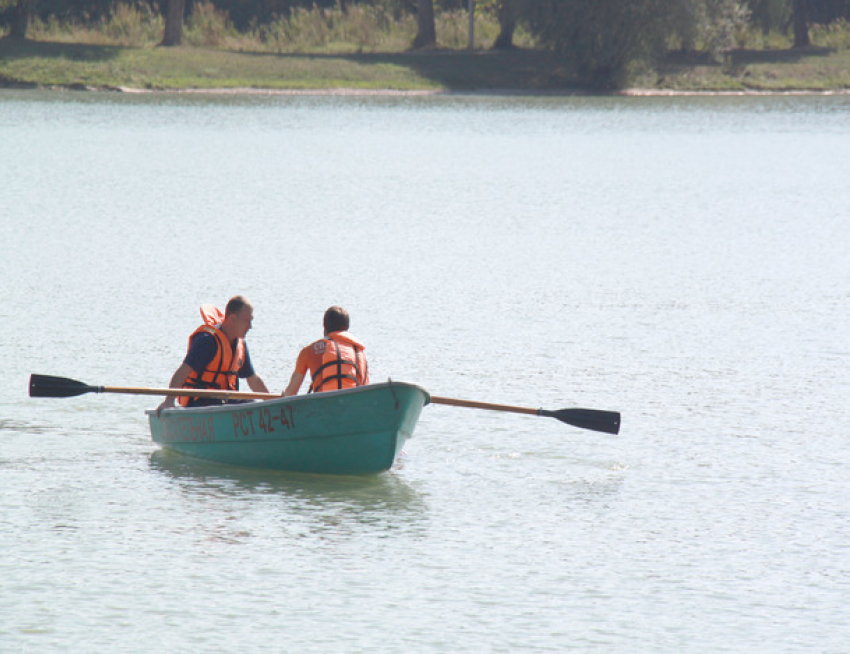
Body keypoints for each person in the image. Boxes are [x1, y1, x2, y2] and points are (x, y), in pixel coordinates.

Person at [157, 296, 270, 413]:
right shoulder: (207, 341)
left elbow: (253, 380)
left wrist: (272, 401)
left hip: (225, 401)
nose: (250, 326)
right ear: (232, 319)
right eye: (247, 321)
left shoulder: (240, 344)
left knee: (251, 405)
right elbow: (182, 373)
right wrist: (169, 401)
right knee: (221, 406)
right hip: (199, 402)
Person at [283, 306, 369, 396]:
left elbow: (290, 394)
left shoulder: (308, 352)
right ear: (347, 327)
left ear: (324, 327)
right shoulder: (359, 352)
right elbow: (365, 391)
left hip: (323, 407)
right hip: (354, 406)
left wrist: (284, 395)